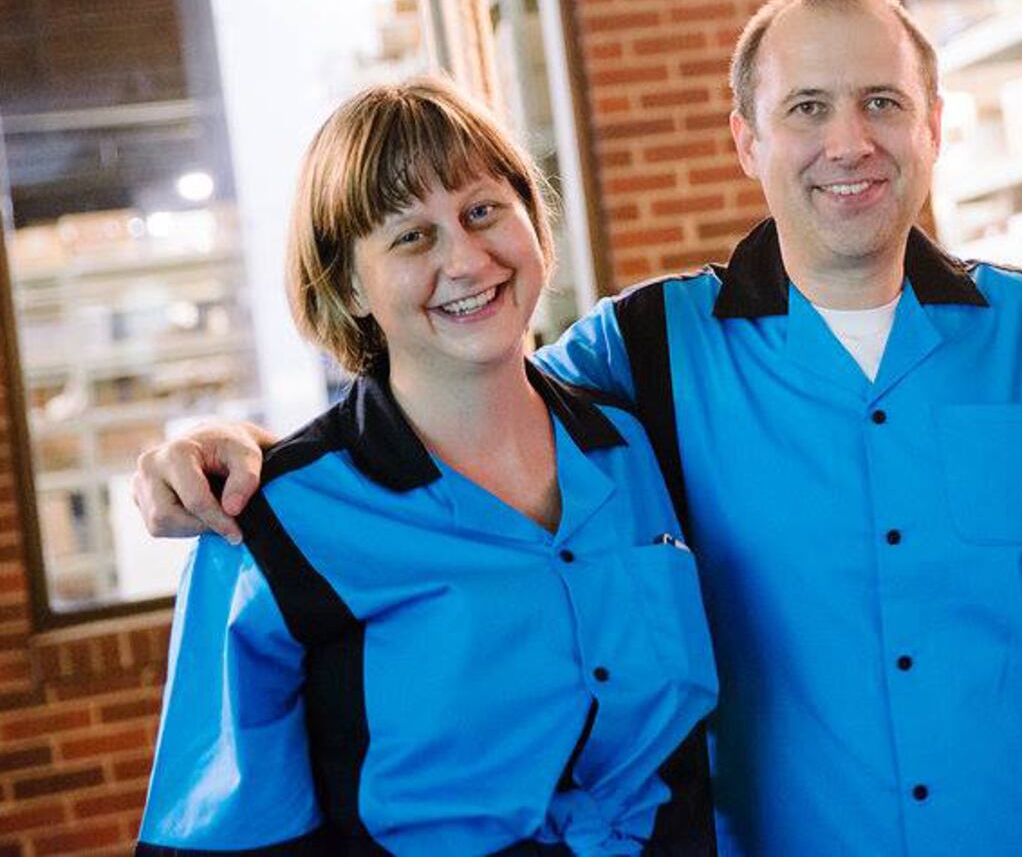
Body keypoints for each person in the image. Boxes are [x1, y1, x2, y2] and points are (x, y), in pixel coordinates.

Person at [134, 0, 1022, 856]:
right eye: (809, 108)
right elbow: (457, 394)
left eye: (883, 102)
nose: (851, 141)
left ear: (935, 126)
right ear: (747, 139)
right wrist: (241, 452)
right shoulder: (642, 356)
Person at [136, 78, 718, 855]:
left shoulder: (635, 442)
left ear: (532, 223)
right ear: (348, 285)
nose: (468, 259)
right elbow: (223, 835)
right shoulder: (273, 528)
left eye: (483, 211)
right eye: (412, 236)